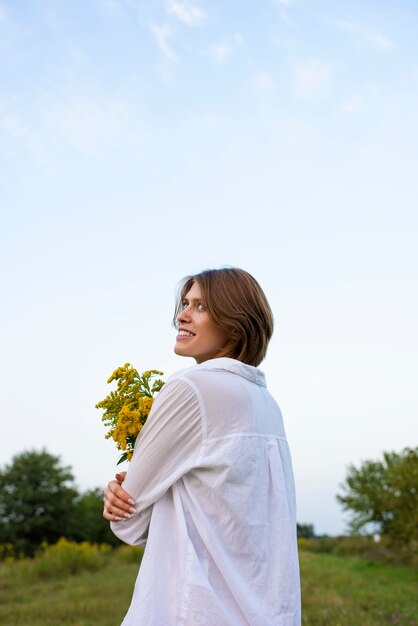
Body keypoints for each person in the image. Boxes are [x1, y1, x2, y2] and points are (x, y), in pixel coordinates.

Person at [103, 267, 301, 626]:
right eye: (184, 303)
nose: (182, 314)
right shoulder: (267, 403)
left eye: (201, 306)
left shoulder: (190, 389)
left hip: (194, 609)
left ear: (235, 324)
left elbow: (129, 526)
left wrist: (117, 495)